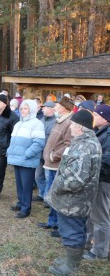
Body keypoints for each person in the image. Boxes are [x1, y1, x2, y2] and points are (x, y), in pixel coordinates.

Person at [45, 109, 102, 275]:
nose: (70, 128)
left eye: (73, 125)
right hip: (74, 200)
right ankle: (72, 260)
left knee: (72, 232)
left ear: (81, 127)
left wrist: (57, 186)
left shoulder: (85, 146)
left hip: (73, 201)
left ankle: (71, 266)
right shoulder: (83, 142)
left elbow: (75, 180)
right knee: (74, 230)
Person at [38, 96, 75, 237]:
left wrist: (54, 155)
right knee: (52, 195)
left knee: (56, 196)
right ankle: (51, 222)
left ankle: (58, 225)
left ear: (64, 108)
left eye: (57, 105)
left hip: (57, 165)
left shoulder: (69, 123)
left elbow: (69, 145)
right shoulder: (59, 120)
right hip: (50, 164)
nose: (55, 107)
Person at [7, 99, 46, 218]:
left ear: (32, 110)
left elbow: (39, 143)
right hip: (17, 159)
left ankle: (26, 208)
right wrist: (10, 151)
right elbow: (13, 141)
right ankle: (20, 203)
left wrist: (27, 154)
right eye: (22, 108)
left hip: (27, 160)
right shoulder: (19, 123)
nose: (23, 111)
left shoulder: (36, 123)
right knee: (19, 184)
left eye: (25, 108)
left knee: (26, 185)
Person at [84, 104, 110, 261]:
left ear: (105, 118)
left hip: (104, 180)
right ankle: (89, 242)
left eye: (96, 114)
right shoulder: (99, 131)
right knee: (92, 213)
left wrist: (90, 163)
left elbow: (107, 160)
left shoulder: (108, 134)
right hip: (96, 178)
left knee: (101, 216)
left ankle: (100, 251)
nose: (93, 116)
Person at [33, 101, 57, 203]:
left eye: (45, 108)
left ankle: (48, 198)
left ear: (52, 109)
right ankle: (41, 194)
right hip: (40, 153)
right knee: (38, 176)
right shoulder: (41, 120)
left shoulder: (56, 122)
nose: (43, 109)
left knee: (48, 177)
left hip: (49, 154)